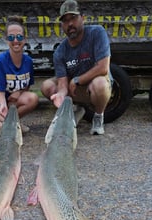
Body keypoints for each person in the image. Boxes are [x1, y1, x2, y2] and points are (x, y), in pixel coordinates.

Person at [41, 0, 113, 135]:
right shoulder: (60, 51)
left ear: (83, 18)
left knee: (100, 84)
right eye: (65, 21)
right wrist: (61, 94)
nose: (70, 24)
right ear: (62, 25)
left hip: (94, 85)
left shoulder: (97, 33)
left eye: (73, 18)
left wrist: (77, 80)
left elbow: (103, 68)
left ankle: (98, 116)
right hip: (76, 89)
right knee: (47, 86)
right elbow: (62, 82)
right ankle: (74, 109)